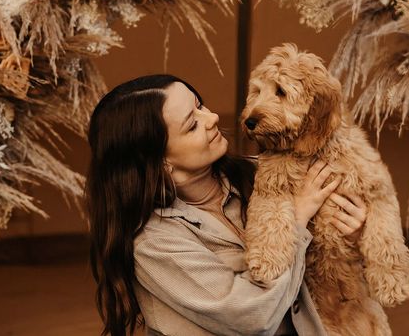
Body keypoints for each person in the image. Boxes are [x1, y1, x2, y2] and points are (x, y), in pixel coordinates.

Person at [85, 74, 369, 336]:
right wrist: (295, 219)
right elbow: (254, 317)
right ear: (161, 163)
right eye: (192, 124)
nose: (212, 118)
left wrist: (355, 235)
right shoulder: (155, 243)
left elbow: (342, 273)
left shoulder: (263, 174)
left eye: (201, 106)